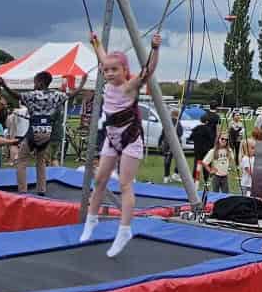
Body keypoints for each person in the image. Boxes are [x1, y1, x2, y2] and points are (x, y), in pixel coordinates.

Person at [79, 32, 162, 256]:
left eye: (114, 70)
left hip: (130, 139)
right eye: (105, 70)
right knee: (99, 180)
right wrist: (96, 43)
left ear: (125, 70)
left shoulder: (129, 87)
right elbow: (104, 58)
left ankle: (124, 230)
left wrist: (154, 49)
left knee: (125, 184)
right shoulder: (107, 83)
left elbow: (148, 71)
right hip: (112, 138)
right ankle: (91, 220)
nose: (108, 73)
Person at [16, 71, 62, 196]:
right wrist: (82, 84)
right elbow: (71, 95)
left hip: (34, 131)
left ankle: (22, 190)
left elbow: (16, 96)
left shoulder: (34, 95)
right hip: (46, 133)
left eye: (35, 82)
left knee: (22, 161)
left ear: (40, 83)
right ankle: (41, 189)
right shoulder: (55, 96)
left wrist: (3, 85)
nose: (34, 85)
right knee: (40, 161)